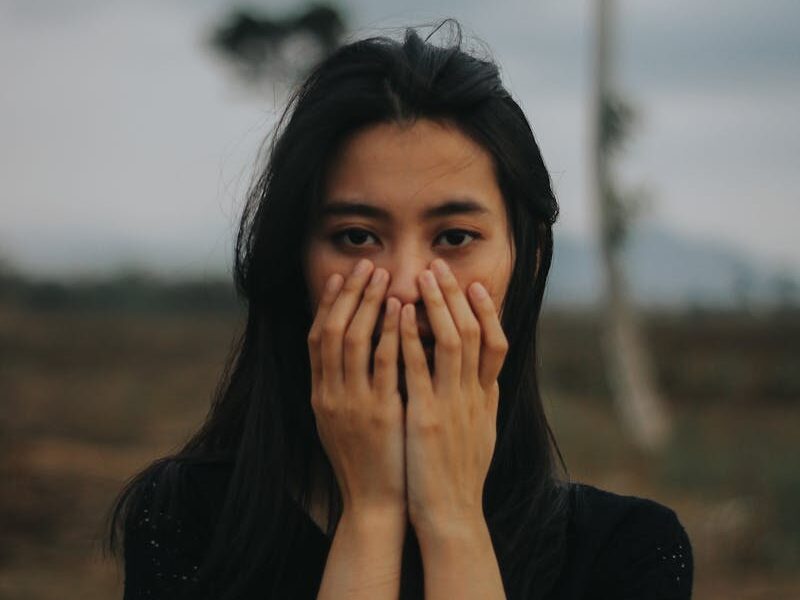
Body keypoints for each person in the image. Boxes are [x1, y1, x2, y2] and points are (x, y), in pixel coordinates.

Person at [109, 22, 693, 600]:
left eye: (455, 237)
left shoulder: (626, 551)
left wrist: (452, 515)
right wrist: (370, 514)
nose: (406, 286)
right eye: (358, 237)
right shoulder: (185, 519)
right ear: (295, 264)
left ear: (530, 258)